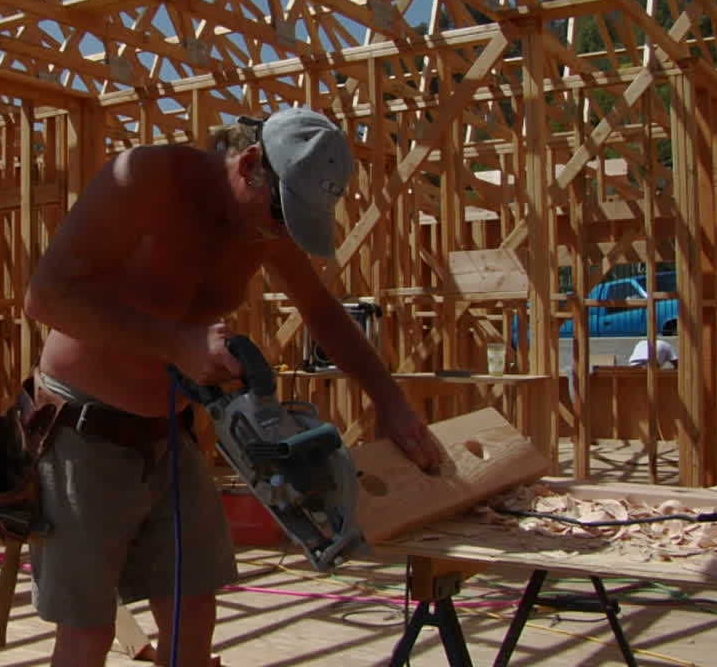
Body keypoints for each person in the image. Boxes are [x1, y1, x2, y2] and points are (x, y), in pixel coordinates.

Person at [22, 106, 442, 667]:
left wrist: (390, 402)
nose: (278, 233)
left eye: (290, 223)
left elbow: (321, 310)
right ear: (248, 164)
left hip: (170, 435)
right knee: (88, 631)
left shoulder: (267, 219)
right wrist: (176, 344)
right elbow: (45, 298)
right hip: (83, 431)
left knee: (195, 609)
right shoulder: (146, 180)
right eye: (278, 216)